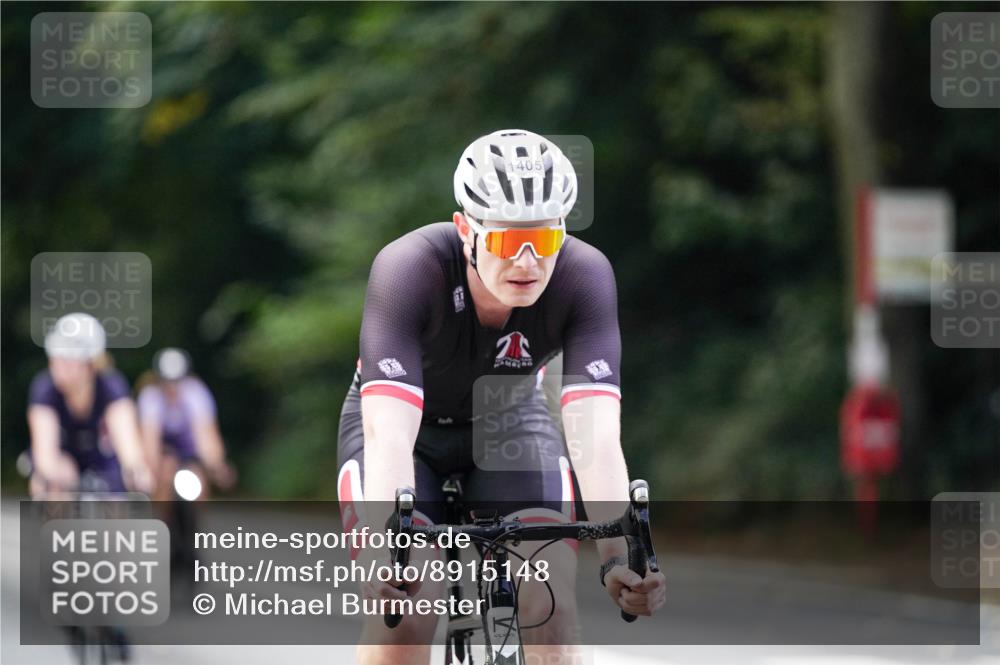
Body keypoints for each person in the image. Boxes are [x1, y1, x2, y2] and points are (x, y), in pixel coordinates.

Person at [337, 129, 666, 665]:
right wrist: (383, 547)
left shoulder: (585, 277)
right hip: (406, 436)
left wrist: (619, 555)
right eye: (511, 242)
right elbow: (388, 433)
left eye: (547, 240)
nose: (530, 262)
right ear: (466, 229)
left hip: (509, 423)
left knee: (552, 606)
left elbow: (596, 437)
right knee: (407, 609)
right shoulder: (408, 269)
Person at [27, 312, 152, 496]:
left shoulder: (111, 386)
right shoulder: (44, 388)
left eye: (67, 361)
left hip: (101, 458)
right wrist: (50, 475)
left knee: (120, 501)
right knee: (48, 485)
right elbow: (45, 452)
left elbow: (128, 443)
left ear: (91, 365)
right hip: (63, 456)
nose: (58, 367)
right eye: (55, 359)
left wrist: (137, 472)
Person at [137, 347, 235, 501]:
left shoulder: (196, 393)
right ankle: (163, 519)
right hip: (163, 452)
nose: (172, 387)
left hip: (189, 451)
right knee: (163, 478)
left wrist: (217, 466)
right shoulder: (150, 397)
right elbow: (150, 441)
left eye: (176, 381)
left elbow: (206, 435)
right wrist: (150, 474)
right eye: (167, 381)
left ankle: (195, 521)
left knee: (199, 482)